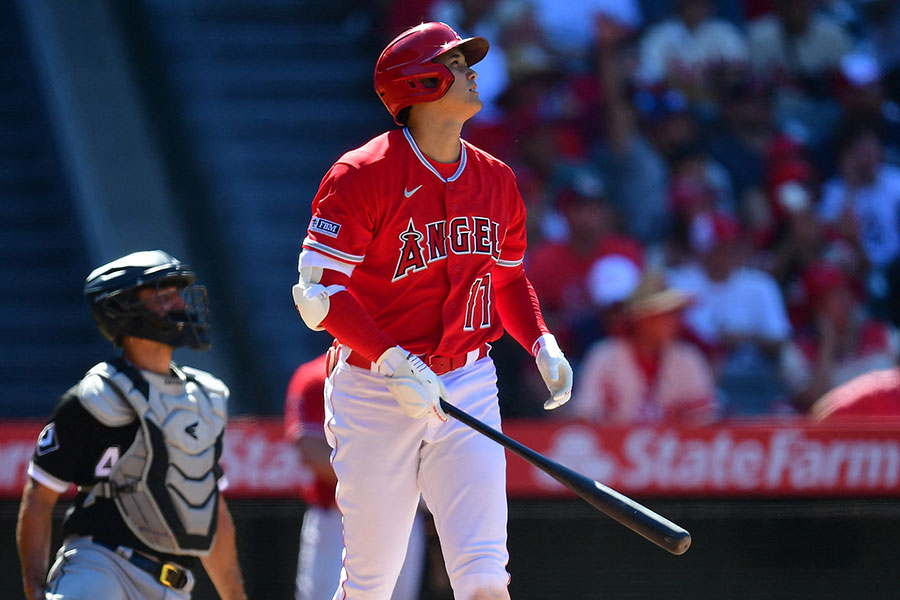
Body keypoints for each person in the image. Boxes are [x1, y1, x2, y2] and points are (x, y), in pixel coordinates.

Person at [290, 22, 573, 600]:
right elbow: (320, 296)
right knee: (372, 582)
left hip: (467, 378)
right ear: (420, 83)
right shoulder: (361, 174)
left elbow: (508, 281)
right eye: (457, 63)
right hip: (373, 389)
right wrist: (392, 361)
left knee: (486, 576)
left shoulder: (496, 179)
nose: (472, 72)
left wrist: (541, 341)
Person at [16, 250, 247, 600]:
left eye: (176, 293)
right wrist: (34, 590)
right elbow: (39, 499)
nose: (179, 303)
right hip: (100, 568)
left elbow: (209, 508)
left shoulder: (204, 396)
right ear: (121, 308)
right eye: (162, 294)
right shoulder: (97, 397)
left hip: (174, 585)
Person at [284, 352, 427, 599]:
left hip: (402, 513)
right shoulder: (316, 376)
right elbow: (311, 449)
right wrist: (379, 480)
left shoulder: (412, 374)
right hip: (338, 517)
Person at [570, 271, 718, 424]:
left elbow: (704, 419)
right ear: (641, 320)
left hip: (674, 445)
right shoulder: (604, 356)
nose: (674, 322)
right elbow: (585, 415)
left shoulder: (687, 357)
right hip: (611, 445)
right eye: (664, 315)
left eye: (675, 314)